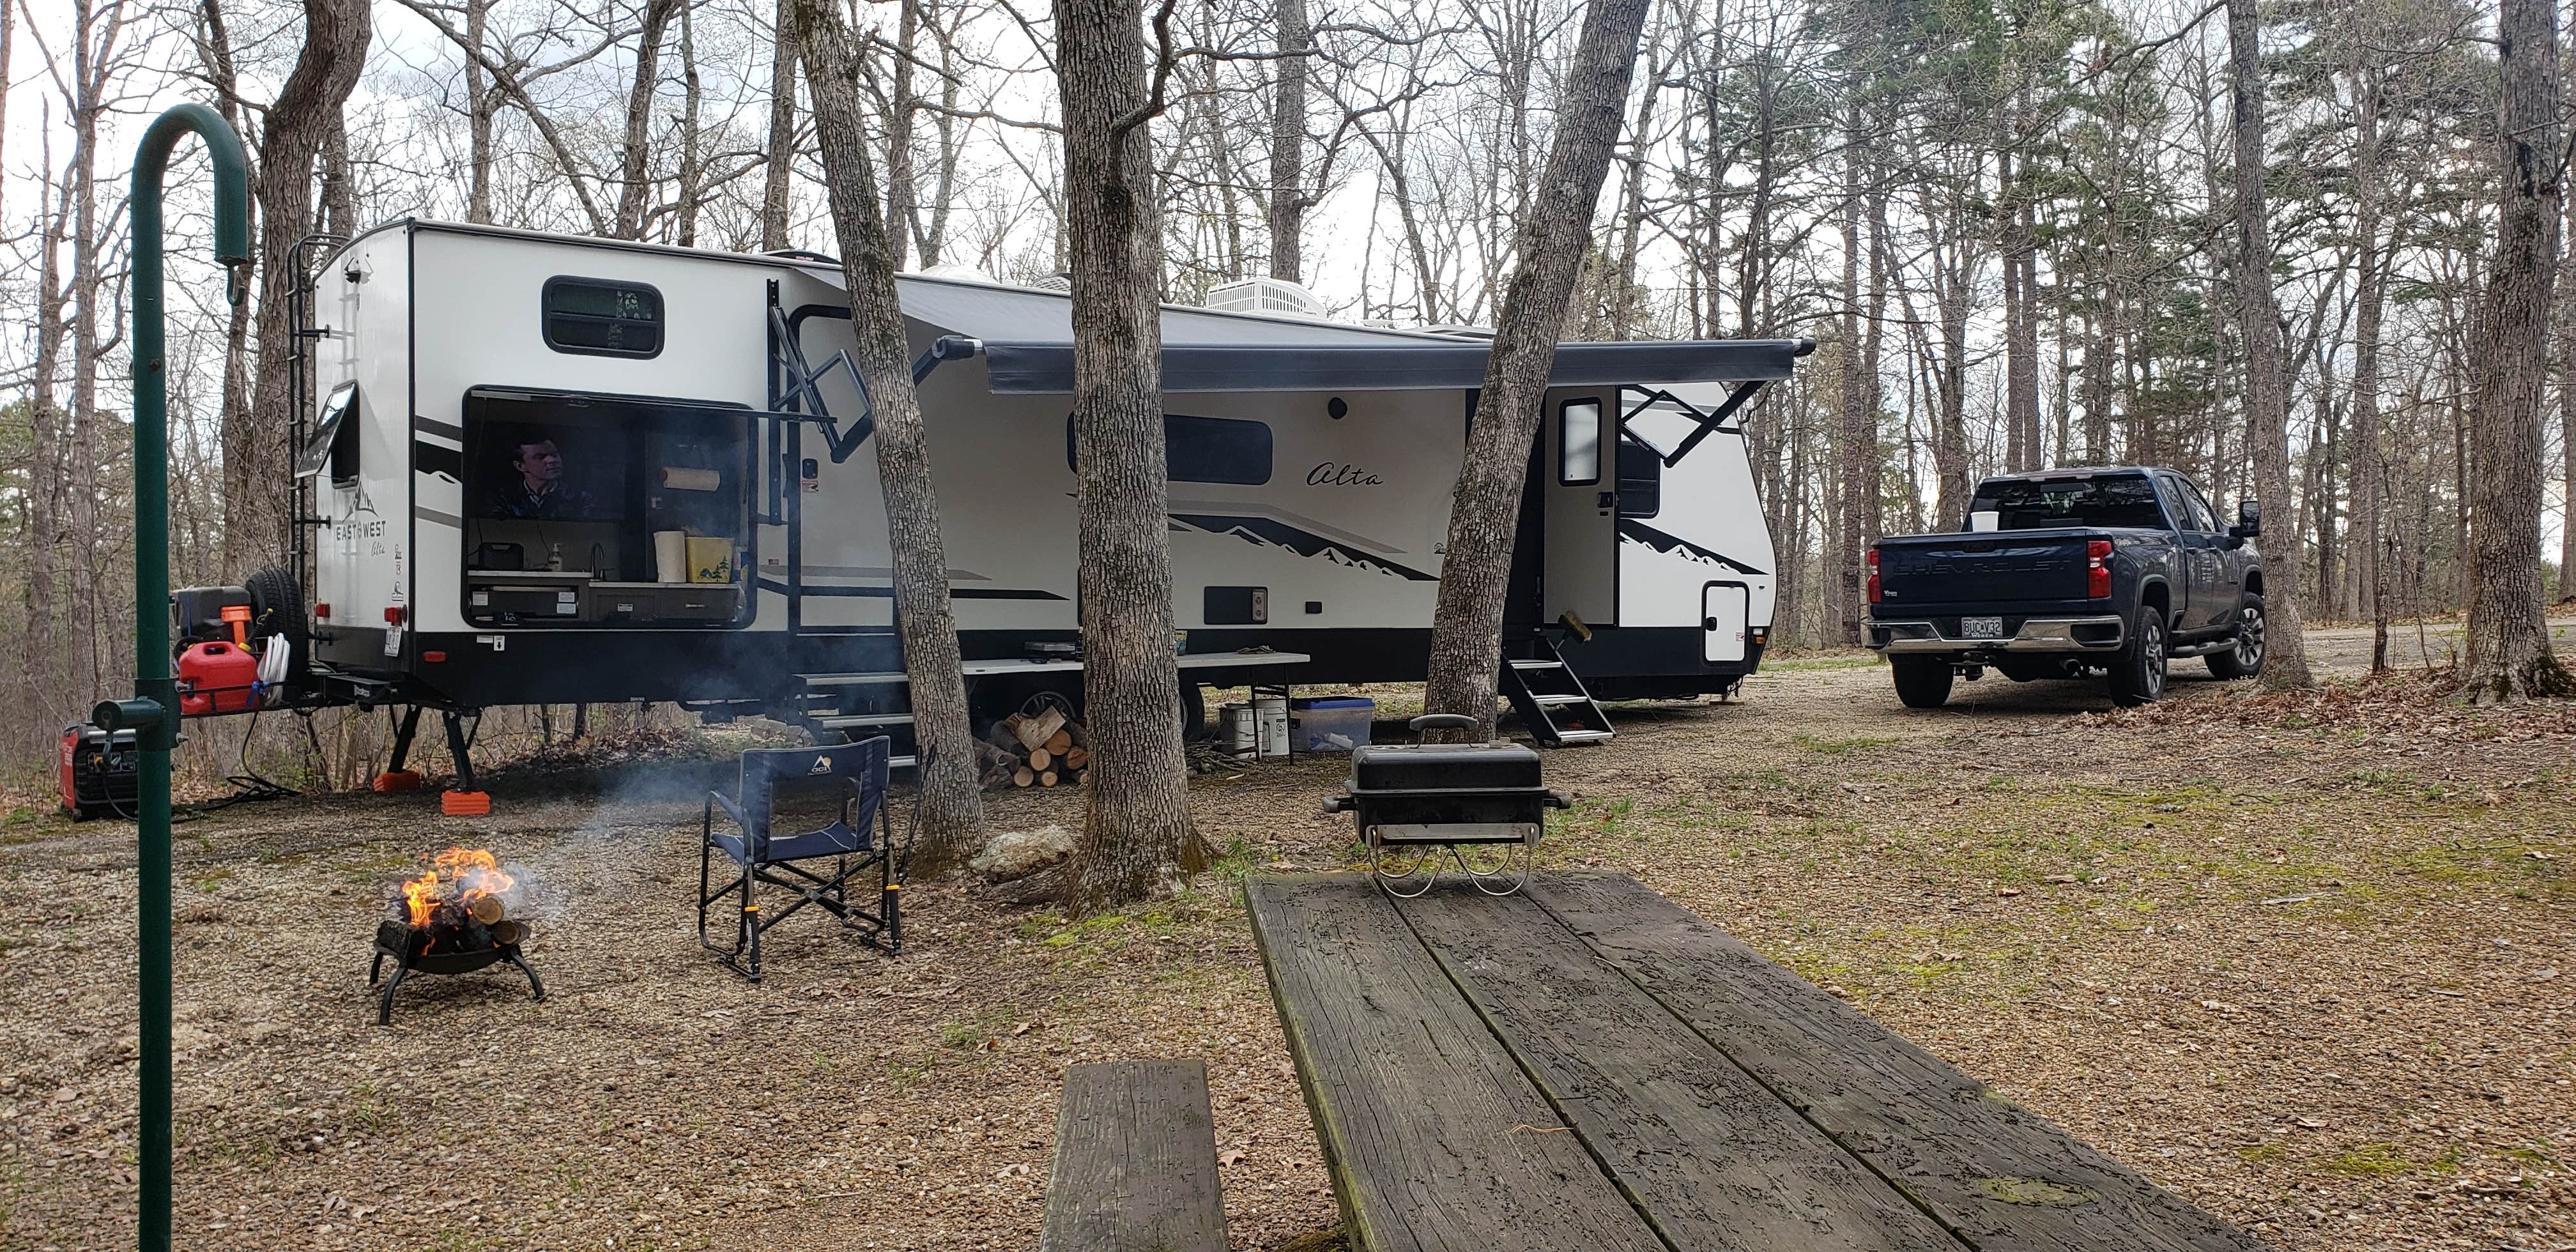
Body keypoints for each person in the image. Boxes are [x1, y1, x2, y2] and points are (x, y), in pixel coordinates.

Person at [490, 436, 589, 519]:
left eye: (555, 455)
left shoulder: (581, 499)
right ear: (520, 466)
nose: (552, 460)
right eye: (540, 457)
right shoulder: (504, 499)